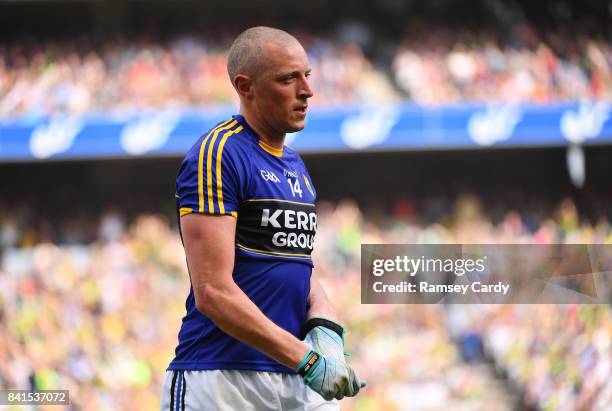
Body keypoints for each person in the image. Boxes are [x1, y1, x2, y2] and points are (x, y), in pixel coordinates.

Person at [161, 26, 365, 410]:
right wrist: (304, 357)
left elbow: (298, 266)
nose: (307, 90)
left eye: (307, 75)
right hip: (222, 377)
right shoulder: (218, 153)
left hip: (297, 379)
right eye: (288, 78)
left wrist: (325, 327)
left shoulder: (296, 165)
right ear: (245, 86)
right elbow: (213, 292)